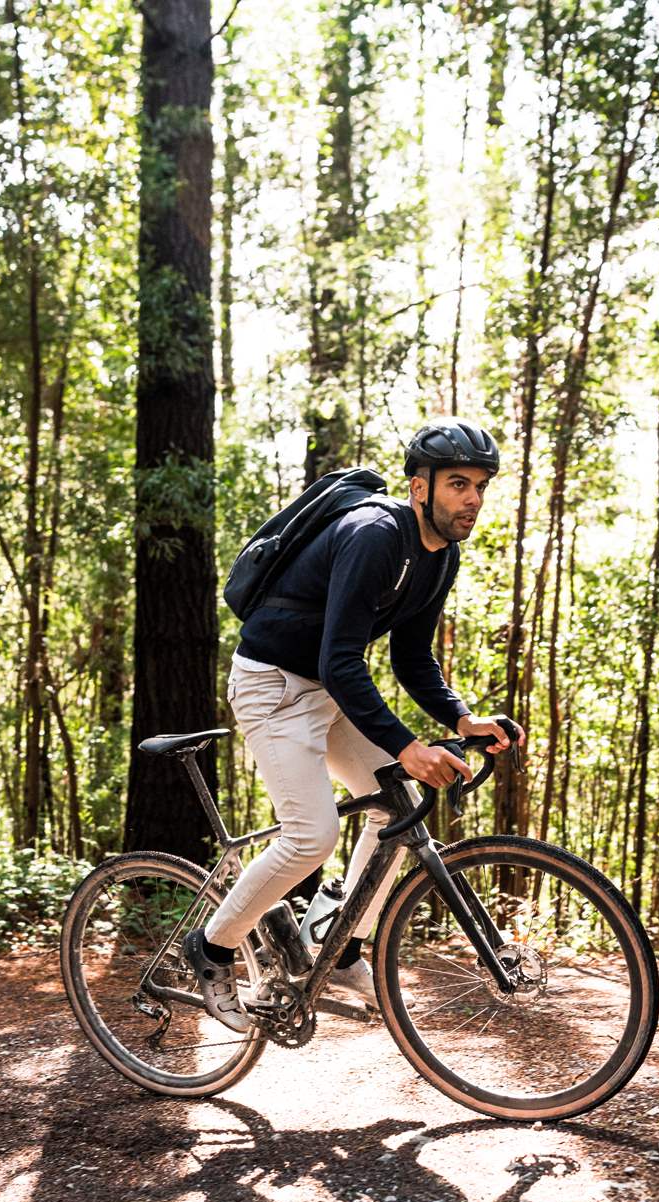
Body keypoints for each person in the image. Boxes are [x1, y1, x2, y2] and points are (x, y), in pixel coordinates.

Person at [183, 418, 526, 1030]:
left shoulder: (440, 554)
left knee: (396, 808)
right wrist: (406, 744)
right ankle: (212, 948)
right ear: (419, 488)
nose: (472, 499)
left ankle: (340, 948)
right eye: (456, 484)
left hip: (329, 689)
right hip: (273, 686)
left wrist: (459, 716)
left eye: (479, 485)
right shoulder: (372, 535)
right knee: (310, 836)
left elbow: (411, 656)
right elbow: (339, 660)